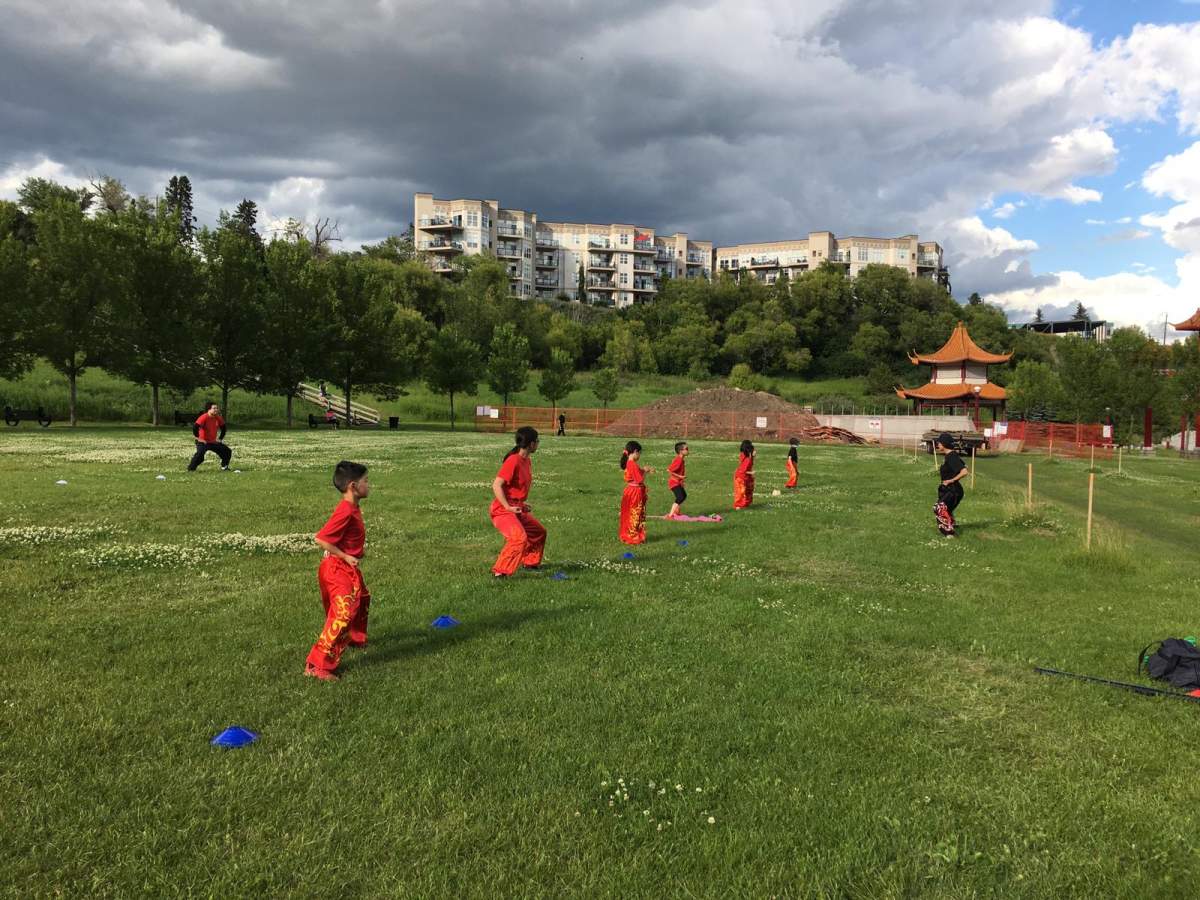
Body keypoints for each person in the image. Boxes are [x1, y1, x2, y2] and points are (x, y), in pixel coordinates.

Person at [305, 460, 372, 681]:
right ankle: (317, 665)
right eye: (366, 481)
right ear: (353, 486)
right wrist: (343, 555)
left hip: (344, 565)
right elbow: (321, 538)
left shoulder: (352, 507)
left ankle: (354, 638)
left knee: (362, 597)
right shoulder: (345, 510)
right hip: (337, 568)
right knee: (343, 613)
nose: (369, 485)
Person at [490, 426, 547, 577]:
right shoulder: (513, 460)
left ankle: (530, 563)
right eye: (537, 441)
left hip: (516, 507)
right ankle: (500, 572)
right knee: (518, 538)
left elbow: (516, 489)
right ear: (531, 444)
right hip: (502, 510)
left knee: (539, 532)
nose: (538, 444)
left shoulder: (526, 460)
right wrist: (508, 506)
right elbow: (496, 485)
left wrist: (521, 503)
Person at [934, 433, 968, 536]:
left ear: (944, 444)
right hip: (948, 489)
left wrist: (951, 480)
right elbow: (963, 465)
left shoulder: (951, 456)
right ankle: (951, 524)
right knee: (945, 509)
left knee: (939, 507)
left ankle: (949, 533)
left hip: (954, 490)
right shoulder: (950, 455)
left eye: (939, 442)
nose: (937, 444)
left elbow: (964, 471)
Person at [619, 440, 652, 544]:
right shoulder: (632, 464)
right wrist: (645, 472)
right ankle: (633, 536)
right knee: (635, 513)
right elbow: (639, 480)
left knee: (629, 513)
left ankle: (628, 534)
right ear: (635, 451)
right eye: (640, 453)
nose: (639, 456)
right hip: (635, 492)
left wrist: (643, 470)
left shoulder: (629, 463)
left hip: (630, 491)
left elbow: (635, 475)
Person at [187, 402, 232, 471]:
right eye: (214, 408)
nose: (216, 410)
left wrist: (220, 438)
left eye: (217, 408)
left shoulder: (217, 417)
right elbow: (195, 427)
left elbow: (223, 428)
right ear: (209, 410)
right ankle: (191, 469)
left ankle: (224, 467)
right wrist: (198, 438)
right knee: (200, 456)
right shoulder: (204, 417)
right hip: (203, 442)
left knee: (227, 451)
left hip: (213, 442)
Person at [666, 441, 689, 518]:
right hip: (674, 483)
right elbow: (669, 470)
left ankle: (676, 511)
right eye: (686, 449)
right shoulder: (678, 460)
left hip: (678, 482)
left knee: (683, 496)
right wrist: (680, 477)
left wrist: (681, 480)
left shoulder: (681, 460)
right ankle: (670, 515)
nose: (688, 450)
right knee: (680, 497)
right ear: (681, 451)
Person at [733, 440, 755, 509]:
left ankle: (745, 503)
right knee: (741, 492)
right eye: (754, 450)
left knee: (749, 489)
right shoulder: (747, 460)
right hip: (740, 477)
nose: (755, 451)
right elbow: (742, 471)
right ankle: (738, 505)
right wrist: (751, 472)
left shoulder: (748, 457)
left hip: (745, 477)